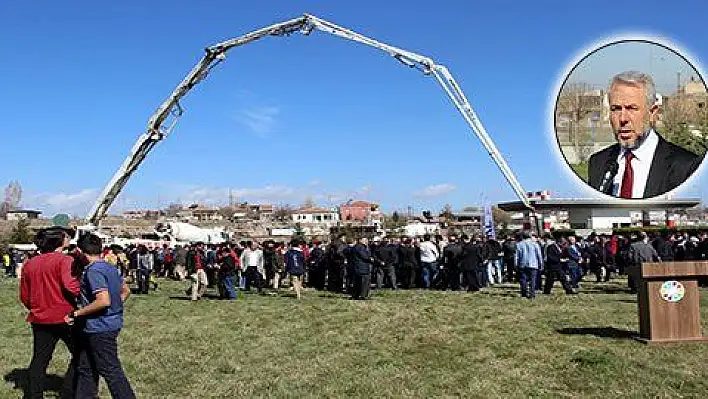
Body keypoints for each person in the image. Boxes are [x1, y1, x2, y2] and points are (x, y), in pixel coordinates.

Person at [587, 71, 700, 198]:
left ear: (653, 113)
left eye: (632, 108)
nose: (623, 118)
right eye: (616, 109)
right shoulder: (598, 163)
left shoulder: (685, 166)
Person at [67, 232, 135, 398]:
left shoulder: (93, 271)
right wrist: (115, 307)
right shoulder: (109, 267)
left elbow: (103, 300)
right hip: (105, 324)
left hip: (100, 327)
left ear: (82, 253)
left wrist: (76, 313)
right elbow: (125, 291)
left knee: (111, 370)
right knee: (86, 367)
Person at [19, 226, 80, 398]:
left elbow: (24, 295)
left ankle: (33, 395)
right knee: (81, 354)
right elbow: (71, 286)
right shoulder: (65, 260)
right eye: (66, 236)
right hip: (65, 316)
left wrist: (36, 308)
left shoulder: (30, 264)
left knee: (40, 359)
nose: (69, 239)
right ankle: (68, 392)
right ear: (59, 240)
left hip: (39, 318)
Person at [515, 232, 544, 299]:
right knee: (533, 280)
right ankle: (532, 294)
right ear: (530, 236)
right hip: (533, 264)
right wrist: (541, 264)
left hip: (522, 264)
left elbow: (516, 256)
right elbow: (539, 255)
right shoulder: (535, 244)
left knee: (523, 279)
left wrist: (516, 264)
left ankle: (524, 293)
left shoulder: (519, 244)